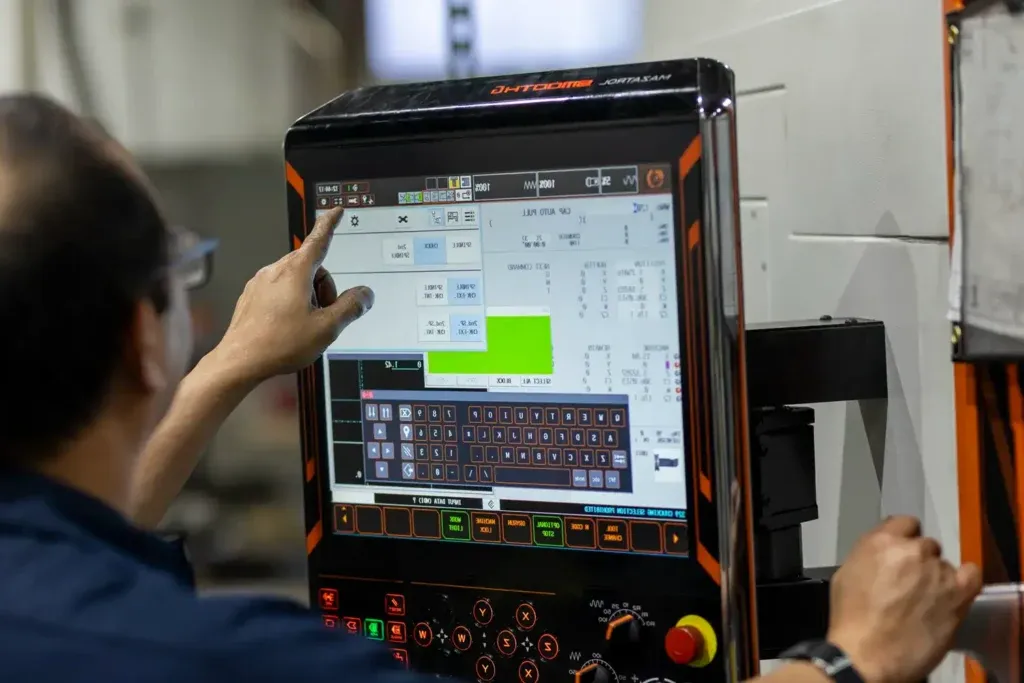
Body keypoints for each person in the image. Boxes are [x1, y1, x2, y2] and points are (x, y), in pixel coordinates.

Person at [0, 94, 981, 683]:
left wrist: (223, 370)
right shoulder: (212, 659)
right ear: (144, 337)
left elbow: (71, 531)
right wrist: (853, 654)